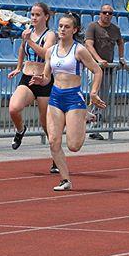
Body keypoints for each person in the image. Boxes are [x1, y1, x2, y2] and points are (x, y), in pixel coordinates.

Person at [29, 14, 106, 191]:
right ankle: (65, 180)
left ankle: (83, 116)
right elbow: (47, 76)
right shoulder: (50, 51)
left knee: (74, 146)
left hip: (73, 98)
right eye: (60, 26)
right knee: (53, 141)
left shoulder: (79, 50)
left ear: (74, 30)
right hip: (55, 97)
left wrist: (93, 93)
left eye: (66, 27)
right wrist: (42, 80)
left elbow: (97, 71)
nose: (62, 29)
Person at [7, 2, 59, 172]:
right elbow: (22, 49)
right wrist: (18, 67)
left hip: (44, 80)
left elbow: (46, 54)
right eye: (32, 15)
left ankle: (56, 159)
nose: (34, 18)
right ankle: (20, 130)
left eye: (37, 15)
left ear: (46, 16)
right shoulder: (27, 33)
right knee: (14, 108)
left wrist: (29, 40)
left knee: (46, 124)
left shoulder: (50, 35)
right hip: (28, 77)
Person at [84, 5, 126, 140]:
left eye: (110, 13)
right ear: (100, 13)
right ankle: (92, 124)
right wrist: (98, 59)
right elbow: (88, 44)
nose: (107, 15)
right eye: (105, 12)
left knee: (103, 97)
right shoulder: (93, 26)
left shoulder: (115, 29)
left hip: (107, 69)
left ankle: (95, 125)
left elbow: (120, 42)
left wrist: (121, 58)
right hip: (93, 67)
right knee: (95, 94)